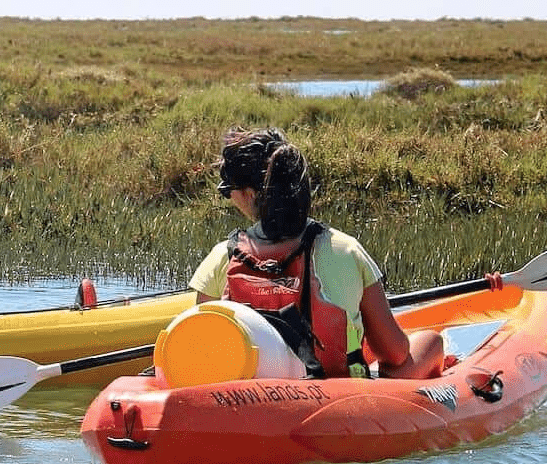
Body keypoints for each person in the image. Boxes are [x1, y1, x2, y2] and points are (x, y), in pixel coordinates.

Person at [189, 127, 443, 379]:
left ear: (249, 194)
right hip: (335, 399)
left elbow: (206, 354)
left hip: (247, 403)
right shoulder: (346, 249)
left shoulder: (221, 257)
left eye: (227, 192)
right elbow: (395, 354)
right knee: (432, 342)